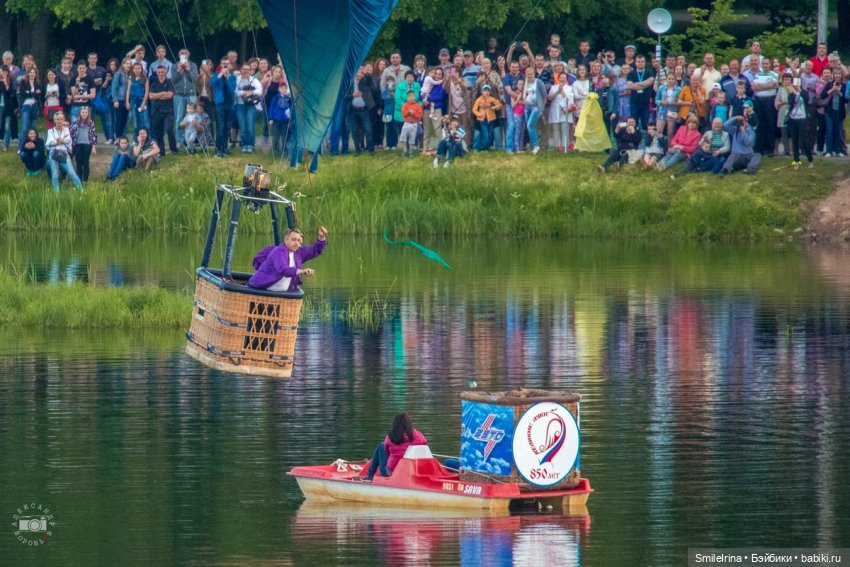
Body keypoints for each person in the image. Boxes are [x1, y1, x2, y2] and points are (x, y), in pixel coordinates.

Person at [248, 226, 328, 291]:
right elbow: (284, 270)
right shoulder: (278, 251)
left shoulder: (298, 252)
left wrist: (321, 237)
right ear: (286, 239)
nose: (296, 243)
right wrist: (302, 271)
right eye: (294, 240)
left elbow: (314, 251)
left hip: (284, 292)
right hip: (263, 288)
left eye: (299, 241)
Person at [356, 413, 428, 482]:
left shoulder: (390, 438)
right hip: (412, 471)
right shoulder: (419, 436)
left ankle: (369, 476)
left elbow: (387, 451)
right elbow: (424, 444)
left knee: (381, 446)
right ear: (409, 424)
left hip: (391, 472)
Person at [45, 112, 84, 193]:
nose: (59, 121)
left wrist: (58, 140)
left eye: (61, 119)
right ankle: (56, 194)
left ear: (63, 120)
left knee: (71, 172)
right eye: (57, 119)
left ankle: (81, 190)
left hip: (64, 153)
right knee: (55, 174)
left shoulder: (66, 130)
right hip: (53, 153)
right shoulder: (50, 131)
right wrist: (61, 141)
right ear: (54, 120)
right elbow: (50, 142)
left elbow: (68, 140)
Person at [721, 102, 761, 175]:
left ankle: (751, 169)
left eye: (743, 122)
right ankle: (725, 170)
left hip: (747, 156)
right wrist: (735, 118)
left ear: (746, 123)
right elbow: (725, 126)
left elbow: (748, 142)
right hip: (736, 157)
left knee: (757, 155)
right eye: (740, 123)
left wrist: (743, 131)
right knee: (733, 155)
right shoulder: (734, 131)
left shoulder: (751, 132)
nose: (742, 124)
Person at [70, 105, 97, 182]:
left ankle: (85, 180)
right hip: (77, 144)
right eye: (83, 112)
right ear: (80, 113)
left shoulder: (91, 122)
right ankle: (79, 179)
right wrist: (71, 146)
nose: (84, 114)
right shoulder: (75, 122)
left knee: (86, 162)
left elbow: (93, 135)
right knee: (79, 162)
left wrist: (93, 147)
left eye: (86, 112)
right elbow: (71, 134)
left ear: (88, 113)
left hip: (87, 144)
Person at [471, 84, 502, 151]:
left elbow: (499, 104)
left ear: (490, 92)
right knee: (485, 135)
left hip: (491, 119)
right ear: (482, 92)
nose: (486, 92)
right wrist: (479, 115)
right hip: (482, 120)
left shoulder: (491, 99)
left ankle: (486, 148)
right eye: (485, 91)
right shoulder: (479, 99)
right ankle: (482, 148)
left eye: (488, 91)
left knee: (489, 135)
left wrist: (494, 107)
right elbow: (474, 109)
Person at [398, 89, 422, 156]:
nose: (411, 97)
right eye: (409, 96)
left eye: (412, 96)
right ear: (407, 97)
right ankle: (405, 150)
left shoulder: (417, 106)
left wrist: (414, 114)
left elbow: (419, 116)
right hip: (406, 123)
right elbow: (403, 114)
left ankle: (411, 151)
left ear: (414, 97)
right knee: (403, 137)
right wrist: (408, 112)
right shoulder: (405, 105)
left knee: (412, 138)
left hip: (414, 124)